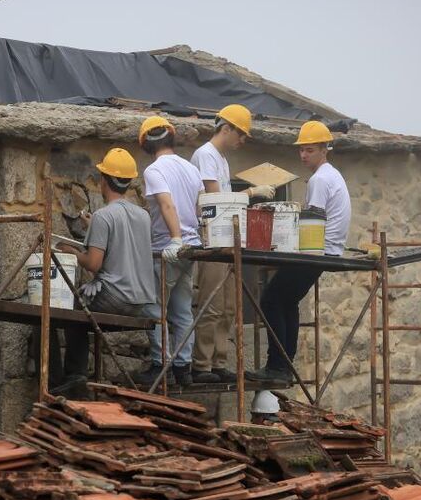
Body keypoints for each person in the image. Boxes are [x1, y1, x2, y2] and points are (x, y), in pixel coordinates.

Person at [247, 121, 351, 382]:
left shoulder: (320, 179)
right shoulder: (332, 175)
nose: (304, 155)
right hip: (327, 250)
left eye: (310, 150)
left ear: (324, 150)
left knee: (271, 300)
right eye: (302, 150)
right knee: (287, 300)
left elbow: (312, 222)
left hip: (317, 250)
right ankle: (284, 365)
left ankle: (277, 366)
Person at [53, 148, 157, 396]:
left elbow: (93, 264)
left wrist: (70, 251)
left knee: (71, 308)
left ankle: (74, 376)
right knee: (79, 308)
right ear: (128, 182)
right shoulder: (143, 216)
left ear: (104, 180)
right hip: (140, 301)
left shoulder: (103, 216)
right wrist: (95, 227)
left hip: (115, 298)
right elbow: (124, 244)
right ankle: (75, 377)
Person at [190, 104, 276, 383]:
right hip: (212, 240)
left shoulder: (222, 159)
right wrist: (250, 192)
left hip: (227, 239)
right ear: (226, 128)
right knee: (212, 304)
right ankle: (202, 365)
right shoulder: (206, 155)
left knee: (228, 307)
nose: (242, 141)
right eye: (241, 134)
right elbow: (215, 199)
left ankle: (218, 362)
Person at [132, 116, 204, 387]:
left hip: (168, 248)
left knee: (154, 307)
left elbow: (166, 204)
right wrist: (188, 238)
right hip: (191, 248)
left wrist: (175, 238)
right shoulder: (191, 168)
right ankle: (183, 368)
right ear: (171, 138)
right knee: (182, 310)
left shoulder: (154, 170)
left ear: (145, 145)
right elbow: (199, 208)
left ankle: (160, 365)